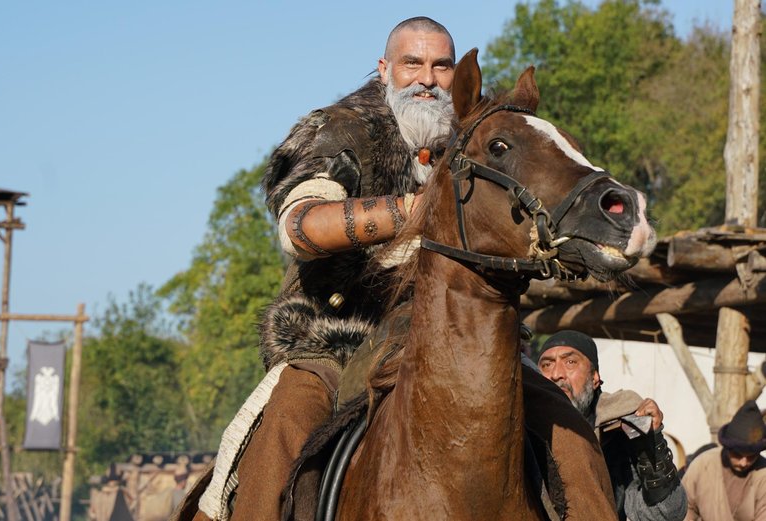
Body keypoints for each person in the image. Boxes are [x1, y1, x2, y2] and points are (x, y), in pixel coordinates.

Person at [185, 17, 617, 521]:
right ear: (385, 68)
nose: (427, 79)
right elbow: (299, 226)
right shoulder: (342, 129)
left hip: (470, 341)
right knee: (281, 429)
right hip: (341, 338)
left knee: (569, 435)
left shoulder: (485, 134)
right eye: (412, 63)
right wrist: (414, 212)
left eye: (440, 66)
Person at [538, 330, 687, 521]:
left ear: (594, 378)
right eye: (546, 365)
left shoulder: (620, 428)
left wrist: (650, 443)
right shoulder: (524, 431)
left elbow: (665, 514)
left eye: (570, 362)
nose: (556, 374)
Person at [682, 400, 766, 520]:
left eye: (751, 456)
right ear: (728, 448)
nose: (743, 463)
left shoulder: (763, 474)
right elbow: (685, 507)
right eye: (738, 455)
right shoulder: (703, 464)